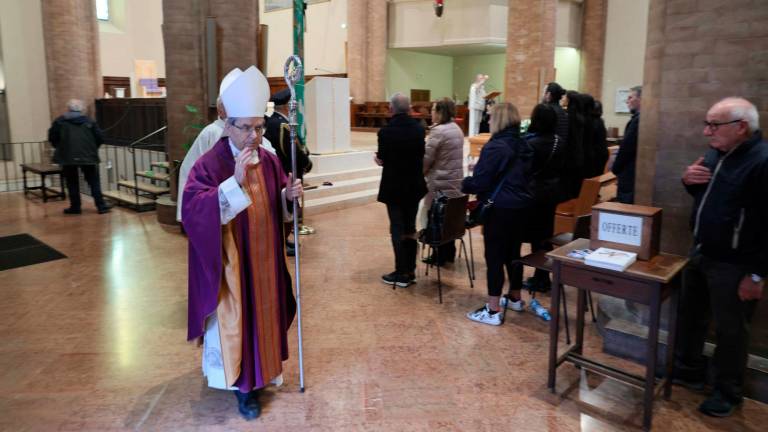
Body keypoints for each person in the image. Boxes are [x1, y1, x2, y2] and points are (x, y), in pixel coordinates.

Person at [182, 65, 302, 421]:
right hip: (231, 264)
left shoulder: (268, 159)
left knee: (264, 317)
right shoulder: (209, 163)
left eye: (258, 127)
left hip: (265, 260)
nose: (253, 135)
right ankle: (244, 389)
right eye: (245, 127)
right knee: (239, 320)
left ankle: (264, 375)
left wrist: (288, 196)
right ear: (228, 124)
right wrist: (232, 182)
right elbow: (193, 210)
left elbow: (278, 201)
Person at [675, 97, 767, 417]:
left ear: (741, 127)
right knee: (690, 314)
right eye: (706, 123)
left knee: (731, 330)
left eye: (714, 125)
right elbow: (707, 196)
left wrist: (757, 274)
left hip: (735, 263)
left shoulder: (761, 161)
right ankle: (688, 369)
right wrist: (688, 181)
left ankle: (728, 392)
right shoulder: (717, 153)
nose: (706, 132)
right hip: (702, 251)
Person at [462, 103, 534, 326]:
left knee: (494, 257)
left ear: (499, 119)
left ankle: (493, 310)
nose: (489, 120)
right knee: (513, 253)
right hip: (521, 207)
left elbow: (480, 182)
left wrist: (466, 183)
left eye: (491, 117)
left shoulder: (495, 147)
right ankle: (514, 297)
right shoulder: (525, 144)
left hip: (500, 208)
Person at [376, 93, 427, 288]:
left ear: (392, 108)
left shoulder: (385, 132)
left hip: (394, 188)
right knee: (410, 228)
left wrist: (380, 159)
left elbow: (382, 158)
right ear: (409, 108)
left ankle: (400, 272)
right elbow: (421, 154)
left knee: (397, 229)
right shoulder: (419, 129)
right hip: (413, 186)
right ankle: (410, 270)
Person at [517, 103, 566, 294]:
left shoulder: (530, 143)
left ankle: (538, 276)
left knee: (533, 236)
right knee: (546, 234)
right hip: (551, 192)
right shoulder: (559, 141)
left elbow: (523, 170)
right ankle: (543, 274)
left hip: (533, 193)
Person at [264, 88, 313, 256]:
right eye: (292, 105)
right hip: (287, 174)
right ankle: (282, 242)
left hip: (279, 174)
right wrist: (307, 163)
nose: (294, 108)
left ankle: (284, 241)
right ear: (286, 107)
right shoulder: (283, 125)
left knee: (284, 210)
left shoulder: (271, 121)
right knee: (287, 211)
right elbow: (293, 152)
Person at [421, 97, 465, 266]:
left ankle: (438, 255)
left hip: (439, 182)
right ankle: (449, 253)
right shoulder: (456, 129)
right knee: (449, 220)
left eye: (433, 110)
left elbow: (427, 159)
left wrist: (421, 173)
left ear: (440, 112)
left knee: (435, 219)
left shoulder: (438, 132)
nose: (431, 113)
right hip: (454, 182)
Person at [48, 99, 111, 214]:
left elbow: (52, 137)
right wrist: (91, 148)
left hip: (67, 156)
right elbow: (100, 138)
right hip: (88, 155)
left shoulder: (60, 121)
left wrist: (61, 148)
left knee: (72, 182)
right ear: (82, 109)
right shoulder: (89, 121)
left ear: (68, 109)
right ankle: (101, 206)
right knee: (93, 181)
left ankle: (75, 207)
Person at [177, 98, 226, 222]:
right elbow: (190, 169)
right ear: (220, 110)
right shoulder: (211, 133)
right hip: (216, 199)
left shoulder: (247, 132)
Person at [612, 85, 641, 204]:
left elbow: (626, 150)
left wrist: (615, 168)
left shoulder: (637, 121)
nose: (627, 101)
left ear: (641, 99)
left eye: (630, 97)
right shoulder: (638, 119)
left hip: (629, 175)